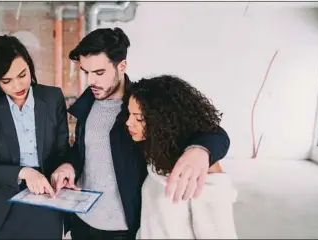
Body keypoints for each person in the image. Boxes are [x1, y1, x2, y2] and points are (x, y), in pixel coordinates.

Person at [51, 27, 231, 239]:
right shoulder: (86, 105)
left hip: (125, 229)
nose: (91, 81)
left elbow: (214, 133)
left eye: (99, 73)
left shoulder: (141, 105)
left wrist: (200, 150)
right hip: (83, 222)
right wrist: (68, 165)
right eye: (86, 72)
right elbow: (84, 151)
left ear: (122, 66)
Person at [0, 35, 69, 239]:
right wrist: (25, 172)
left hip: (47, 197)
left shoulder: (52, 98)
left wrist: (64, 167)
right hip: (4, 202)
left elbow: (62, 151)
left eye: (22, 75)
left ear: (29, 67)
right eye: (6, 81)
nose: (17, 86)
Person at [127, 75, 238, 239]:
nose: (129, 122)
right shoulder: (157, 154)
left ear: (165, 120)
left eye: (139, 118)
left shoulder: (198, 172)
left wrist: (202, 150)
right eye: (129, 114)